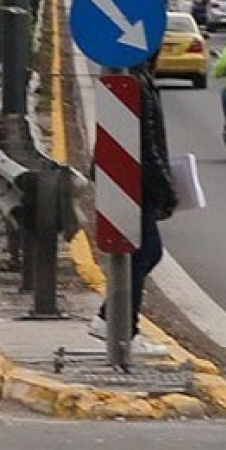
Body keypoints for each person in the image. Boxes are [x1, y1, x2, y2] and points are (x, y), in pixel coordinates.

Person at [88, 52, 179, 355]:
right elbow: (148, 146)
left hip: (126, 181)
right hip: (133, 184)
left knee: (144, 252)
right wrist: (166, 190)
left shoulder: (135, 82)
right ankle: (123, 329)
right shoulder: (137, 85)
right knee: (144, 252)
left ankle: (110, 319)